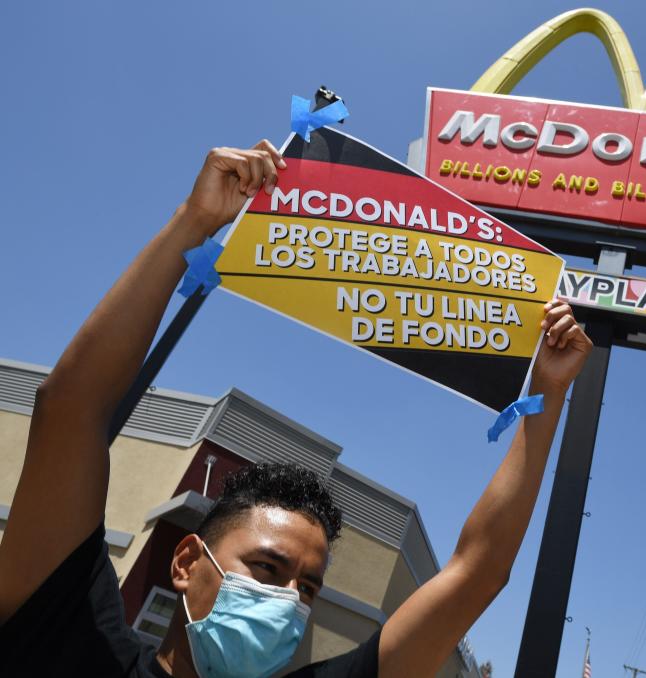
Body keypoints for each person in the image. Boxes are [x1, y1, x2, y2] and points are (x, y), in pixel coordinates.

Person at [0, 139, 593, 677]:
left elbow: (476, 573)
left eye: (307, 589)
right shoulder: (73, 641)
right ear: (186, 562)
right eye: (267, 570)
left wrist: (547, 397)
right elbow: (70, 409)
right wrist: (196, 223)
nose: (287, 602)